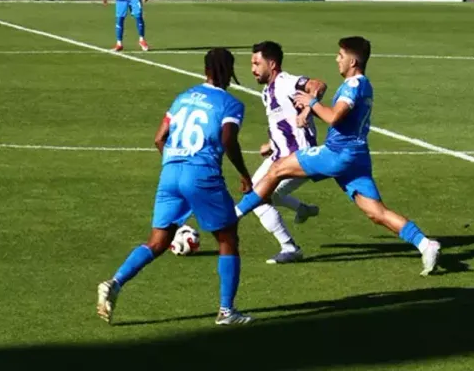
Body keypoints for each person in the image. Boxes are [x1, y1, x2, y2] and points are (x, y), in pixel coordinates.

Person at [233, 37, 442, 276]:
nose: (337, 60)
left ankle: (234, 216)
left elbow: (334, 117)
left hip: (337, 153)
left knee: (277, 169)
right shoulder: (364, 85)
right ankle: (426, 244)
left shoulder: (353, 85)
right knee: (376, 213)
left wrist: (311, 103)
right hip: (356, 157)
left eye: (340, 56)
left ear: (352, 61)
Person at [97, 48, 253, 326]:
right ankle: (227, 311)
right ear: (229, 71)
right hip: (202, 173)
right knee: (228, 239)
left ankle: (115, 282)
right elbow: (229, 139)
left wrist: (175, 163)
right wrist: (243, 173)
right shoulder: (230, 104)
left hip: (170, 172)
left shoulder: (183, 98)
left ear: (205, 70)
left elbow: (159, 138)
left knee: (157, 241)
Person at [239, 41, 323, 264]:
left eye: (257, 63)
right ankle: (302, 209)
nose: (253, 69)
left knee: (258, 198)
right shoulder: (267, 92)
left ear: (272, 64)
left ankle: (290, 247)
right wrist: (271, 143)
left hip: (299, 158)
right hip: (280, 156)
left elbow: (318, 85)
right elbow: (284, 123)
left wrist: (307, 109)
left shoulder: (286, 82)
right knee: (264, 195)